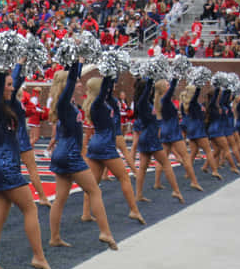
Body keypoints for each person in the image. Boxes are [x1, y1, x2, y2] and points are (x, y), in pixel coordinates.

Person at [0, 70, 53, 269]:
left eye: (13, 85)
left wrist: (19, 64)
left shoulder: (7, 105)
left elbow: (16, 82)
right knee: (30, 210)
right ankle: (38, 256)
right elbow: (0, 86)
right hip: (6, 166)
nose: (13, 88)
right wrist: (3, 68)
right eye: (8, 85)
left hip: (1, 165)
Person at [47, 64, 117, 250]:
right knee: (94, 191)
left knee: (60, 198)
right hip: (70, 154)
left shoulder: (68, 104)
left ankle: (54, 237)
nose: (80, 84)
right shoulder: (63, 103)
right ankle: (105, 232)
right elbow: (70, 81)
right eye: (77, 81)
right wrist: (77, 61)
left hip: (63, 152)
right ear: (66, 84)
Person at [82, 76, 145, 224]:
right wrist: (108, 74)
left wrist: (112, 72)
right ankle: (134, 210)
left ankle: (85, 213)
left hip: (97, 144)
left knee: (93, 183)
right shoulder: (97, 104)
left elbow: (107, 91)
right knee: (124, 178)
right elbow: (105, 90)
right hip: (105, 144)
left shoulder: (101, 102)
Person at [134, 77, 184, 203]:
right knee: (166, 164)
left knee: (143, 168)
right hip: (150, 137)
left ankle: (139, 195)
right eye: (149, 89)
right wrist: (151, 78)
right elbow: (146, 95)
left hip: (147, 136)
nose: (151, 91)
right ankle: (176, 190)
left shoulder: (148, 103)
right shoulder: (142, 103)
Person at [10, 62, 52, 206]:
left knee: (13, 170)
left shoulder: (8, 103)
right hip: (20, 139)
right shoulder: (16, 103)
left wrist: (21, 67)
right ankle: (42, 196)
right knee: (31, 169)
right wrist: (21, 66)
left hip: (9, 140)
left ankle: (14, 197)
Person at [153, 78, 203, 191]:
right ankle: (194, 181)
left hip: (166, 130)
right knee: (185, 156)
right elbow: (172, 89)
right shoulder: (165, 99)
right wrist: (175, 77)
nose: (169, 85)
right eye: (167, 85)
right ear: (163, 89)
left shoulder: (160, 100)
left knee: (163, 159)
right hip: (173, 131)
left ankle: (157, 182)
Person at [180, 85, 221, 179]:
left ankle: (187, 173)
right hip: (198, 127)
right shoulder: (193, 102)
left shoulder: (185, 103)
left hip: (192, 128)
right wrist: (198, 85)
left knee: (193, 152)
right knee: (208, 151)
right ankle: (214, 171)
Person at [204, 86, 239, 175]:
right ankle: (233, 167)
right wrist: (218, 87)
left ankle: (205, 166)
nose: (220, 95)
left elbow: (226, 97)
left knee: (217, 150)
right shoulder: (212, 104)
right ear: (215, 95)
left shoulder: (218, 104)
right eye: (219, 94)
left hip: (216, 129)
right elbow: (216, 96)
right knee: (226, 149)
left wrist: (228, 86)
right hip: (216, 130)